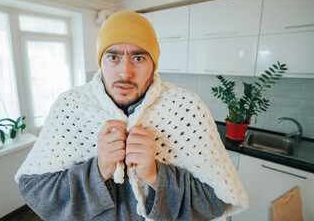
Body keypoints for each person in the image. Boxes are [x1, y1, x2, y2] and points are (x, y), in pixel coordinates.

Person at [15, 11, 248, 220]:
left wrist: (156, 175)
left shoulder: (187, 108)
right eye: (113, 57)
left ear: (153, 64)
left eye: (138, 58)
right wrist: (98, 170)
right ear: (101, 62)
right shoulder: (70, 107)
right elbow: (35, 191)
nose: (125, 72)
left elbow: (217, 200)